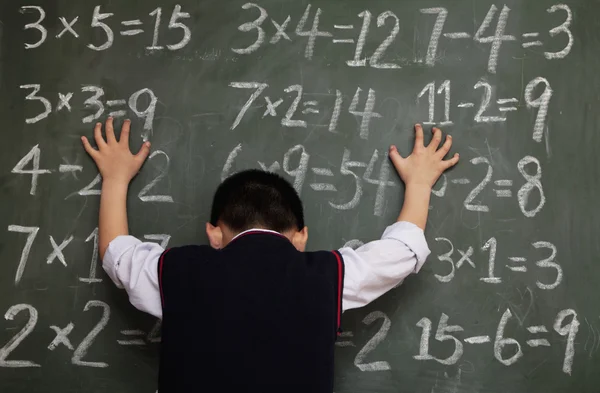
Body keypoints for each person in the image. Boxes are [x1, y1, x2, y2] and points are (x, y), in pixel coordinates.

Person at [81, 118, 459, 393]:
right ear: (300, 237)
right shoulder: (326, 277)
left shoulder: (176, 273)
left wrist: (114, 178)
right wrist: (421, 182)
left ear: (214, 232)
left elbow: (116, 253)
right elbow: (404, 250)